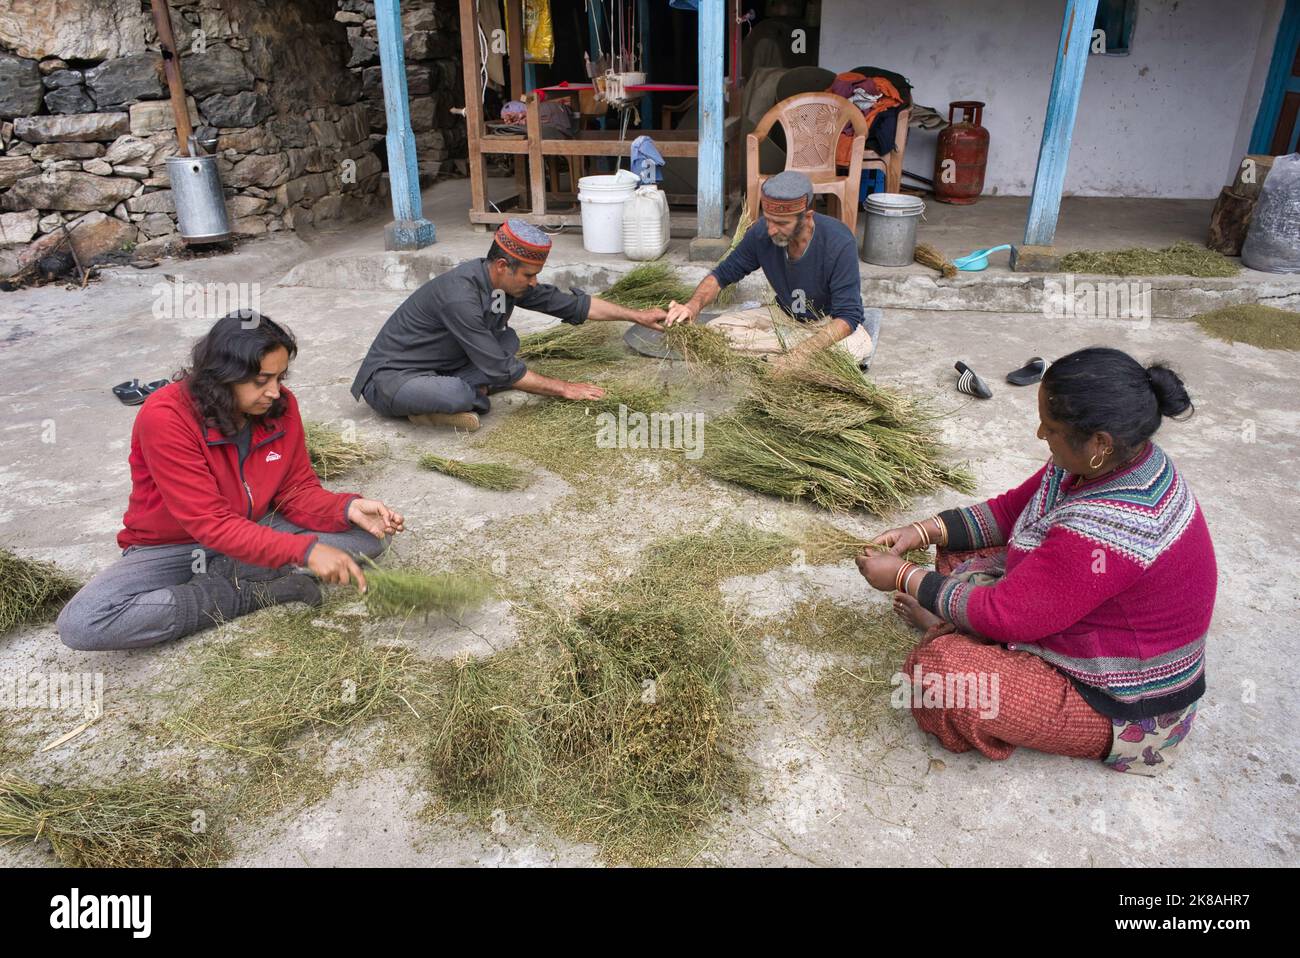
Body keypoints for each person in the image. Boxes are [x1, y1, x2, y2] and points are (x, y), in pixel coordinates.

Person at [856, 347, 1215, 775]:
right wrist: (922, 531)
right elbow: (1011, 514)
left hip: (1124, 707)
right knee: (958, 547)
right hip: (1081, 615)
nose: (1040, 433)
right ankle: (953, 623)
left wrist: (903, 575)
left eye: (1051, 426)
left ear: (1099, 441)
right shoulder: (1104, 460)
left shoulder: (1111, 527)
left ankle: (945, 629)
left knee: (941, 675)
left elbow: (1007, 613)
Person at [58, 312, 405, 652]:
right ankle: (242, 592)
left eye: (280, 378)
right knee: (85, 622)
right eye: (261, 381)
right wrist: (306, 551)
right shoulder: (165, 417)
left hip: (251, 527)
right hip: (175, 546)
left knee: (369, 538)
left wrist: (347, 508)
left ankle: (236, 571)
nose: (274, 392)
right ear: (223, 376)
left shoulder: (281, 408)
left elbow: (295, 490)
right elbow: (210, 523)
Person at [351, 218, 668, 431]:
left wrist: (638, 316)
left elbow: (573, 305)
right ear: (503, 265)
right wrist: (565, 389)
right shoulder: (459, 296)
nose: (534, 282)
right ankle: (445, 402)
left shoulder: (504, 284)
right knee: (458, 395)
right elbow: (502, 369)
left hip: (445, 361)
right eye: (529, 275)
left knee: (508, 343)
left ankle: (465, 391)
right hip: (392, 379)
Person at [663, 170, 880, 371]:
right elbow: (721, 276)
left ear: (807, 217)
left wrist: (801, 352)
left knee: (857, 348)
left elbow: (848, 316)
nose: (771, 229)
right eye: (768, 220)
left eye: (781, 223)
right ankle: (789, 355)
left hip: (827, 322)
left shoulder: (839, 242)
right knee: (714, 332)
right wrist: (692, 306)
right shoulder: (761, 233)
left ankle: (784, 354)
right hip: (783, 316)